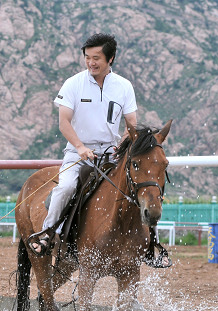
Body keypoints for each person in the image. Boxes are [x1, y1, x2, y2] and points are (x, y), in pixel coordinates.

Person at [30, 33, 137, 255]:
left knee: (136, 188)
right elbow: (63, 122)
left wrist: (122, 144)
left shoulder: (124, 86)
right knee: (66, 187)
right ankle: (48, 233)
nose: (91, 62)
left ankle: (147, 243)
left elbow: (131, 126)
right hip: (77, 153)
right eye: (87, 57)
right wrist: (80, 147)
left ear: (111, 58)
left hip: (110, 154)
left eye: (96, 57)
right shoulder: (73, 84)